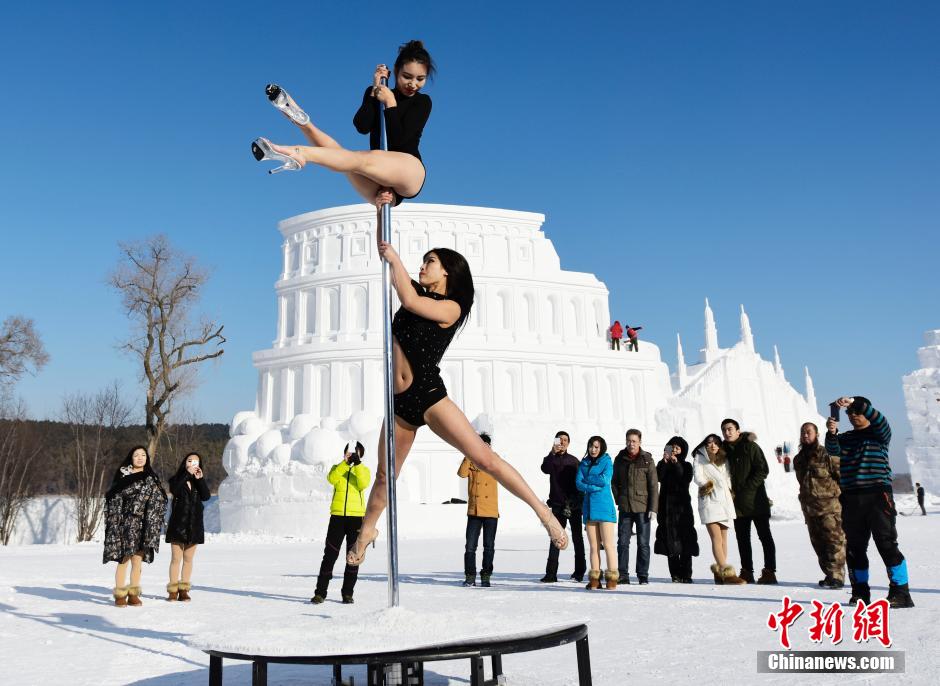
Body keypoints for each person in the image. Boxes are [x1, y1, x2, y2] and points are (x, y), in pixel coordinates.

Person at [345, 244, 568, 568]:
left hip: (429, 394)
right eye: (421, 262)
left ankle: (543, 513)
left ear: (447, 271)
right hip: (398, 404)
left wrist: (396, 257)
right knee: (384, 476)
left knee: (486, 459)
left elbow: (408, 297)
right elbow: (389, 261)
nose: (422, 267)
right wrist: (382, 208)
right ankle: (366, 532)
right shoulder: (415, 292)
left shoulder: (452, 307)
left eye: (430, 262)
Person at [254, 40, 433, 208]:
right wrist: (373, 91)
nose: (413, 84)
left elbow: (400, 140)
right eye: (407, 76)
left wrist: (391, 103)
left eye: (420, 79)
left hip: (408, 171)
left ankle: (299, 153)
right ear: (396, 71)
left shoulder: (423, 102)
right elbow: (362, 126)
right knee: (342, 157)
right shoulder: (378, 94)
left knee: (357, 160)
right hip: (377, 176)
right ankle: (303, 123)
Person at [826, 396, 914, 608]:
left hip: (878, 496)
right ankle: (860, 593)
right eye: (850, 413)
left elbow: (880, 420)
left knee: (886, 543)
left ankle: (900, 593)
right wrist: (831, 433)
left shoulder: (879, 433)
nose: (853, 415)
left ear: (867, 411)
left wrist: (854, 402)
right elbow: (833, 449)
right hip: (852, 497)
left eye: (857, 411)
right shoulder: (846, 438)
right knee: (855, 548)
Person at [103, 446, 168, 607]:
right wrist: (117, 522)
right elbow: (113, 497)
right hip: (125, 524)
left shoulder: (151, 477)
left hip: (144, 524)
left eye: (143, 455)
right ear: (131, 458)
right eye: (136, 455)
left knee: (137, 560)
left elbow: (161, 499)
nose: (140, 458)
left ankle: (133, 593)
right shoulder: (123, 476)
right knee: (124, 559)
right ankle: (119, 593)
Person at [312, 442, 371, 605]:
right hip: (337, 517)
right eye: (350, 452)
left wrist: (357, 464)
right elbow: (332, 479)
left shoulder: (364, 470)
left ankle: (347, 593)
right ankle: (320, 593)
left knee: (353, 557)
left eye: (356, 453)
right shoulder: (337, 468)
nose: (352, 455)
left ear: (361, 455)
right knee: (329, 555)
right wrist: (344, 463)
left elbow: (363, 483)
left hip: (356, 518)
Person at [721, 419, 777, 584]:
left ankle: (769, 572)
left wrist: (747, 488)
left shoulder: (751, 446)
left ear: (738, 431)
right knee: (742, 538)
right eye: (724, 430)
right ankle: (746, 571)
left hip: (757, 501)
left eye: (730, 429)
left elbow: (763, 470)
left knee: (764, 536)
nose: (727, 432)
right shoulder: (724, 451)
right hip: (737, 504)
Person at [793, 422, 845, 589]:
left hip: (829, 508)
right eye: (803, 432)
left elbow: (840, 476)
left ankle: (837, 576)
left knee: (834, 542)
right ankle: (829, 575)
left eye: (808, 432)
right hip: (810, 509)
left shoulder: (827, 455)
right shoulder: (798, 459)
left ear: (816, 434)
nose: (805, 435)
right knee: (818, 544)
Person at [692, 435, 745, 585]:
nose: (713, 445)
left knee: (723, 538)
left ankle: (719, 573)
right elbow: (697, 476)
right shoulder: (700, 456)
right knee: (716, 538)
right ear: (705, 444)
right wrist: (707, 485)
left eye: (716, 443)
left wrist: (730, 491)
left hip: (724, 502)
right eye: (710, 442)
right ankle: (726, 573)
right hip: (710, 499)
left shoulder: (723, 458)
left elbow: (727, 476)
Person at [611, 429, 658, 584]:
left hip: (643, 508)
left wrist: (653, 508)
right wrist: (619, 499)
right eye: (629, 441)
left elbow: (653, 486)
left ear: (640, 442)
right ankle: (623, 574)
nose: (631, 444)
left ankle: (642, 575)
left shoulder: (647, 459)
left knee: (643, 543)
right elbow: (614, 482)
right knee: (623, 542)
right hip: (625, 508)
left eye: (634, 441)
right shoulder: (620, 459)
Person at [540, 431, 586, 583]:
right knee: (556, 539)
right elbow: (544, 468)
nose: (563, 442)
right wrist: (552, 452)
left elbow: (580, 483)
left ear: (569, 443)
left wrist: (577, 501)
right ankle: (551, 573)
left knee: (578, 538)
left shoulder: (574, 461)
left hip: (573, 505)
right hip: (558, 505)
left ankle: (579, 572)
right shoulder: (551, 459)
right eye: (560, 440)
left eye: (565, 440)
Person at [165, 452, 211, 601]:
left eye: (196, 461)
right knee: (176, 559)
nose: (192, 463)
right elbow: (175, 490)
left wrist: (200, 479)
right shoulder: (176, 479)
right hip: (178, 525)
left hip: (194, 525)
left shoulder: (199, 482)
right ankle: (173, 590)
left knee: (188, 559)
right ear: (185, 463)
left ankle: (184, 590)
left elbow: (206, 497)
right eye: (190, 461)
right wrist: (186, 474)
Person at [653, 437, 699, 583]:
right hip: (666, 509)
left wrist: (677, 464)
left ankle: (687, 574)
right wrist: (664, 463)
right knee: (669, 541)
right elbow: (658, 477)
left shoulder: (686, 465)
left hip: (683, 508)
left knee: (685, 540)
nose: (674, 451)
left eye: (677, 449)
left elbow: (685, 480)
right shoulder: (663, 465)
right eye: (672, 448)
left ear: (683, 451)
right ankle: (675, 574)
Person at [576, 436, 619, 590]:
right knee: (593, 546)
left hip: (605, 508)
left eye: (596, 447)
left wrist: (589, 480)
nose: (593, 450)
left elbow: (605, 480)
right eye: (591, 446)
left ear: (601, 448)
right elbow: (579, 483)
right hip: (589, 509)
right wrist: (592, 485)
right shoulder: (584, 463)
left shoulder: (607, 461)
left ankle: (612, 579)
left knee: (608, 545)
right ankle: (595, 580)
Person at [459, 432, 499, 588]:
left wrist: (490, 453)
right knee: (470, 546)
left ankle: (486, 576)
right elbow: (462, 474)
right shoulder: (471, 461)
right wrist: (469, 454)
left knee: (489, 546)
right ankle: (470, 576)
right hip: (474, 510)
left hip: (490, 510)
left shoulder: (494, 460)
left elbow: (501, 471)